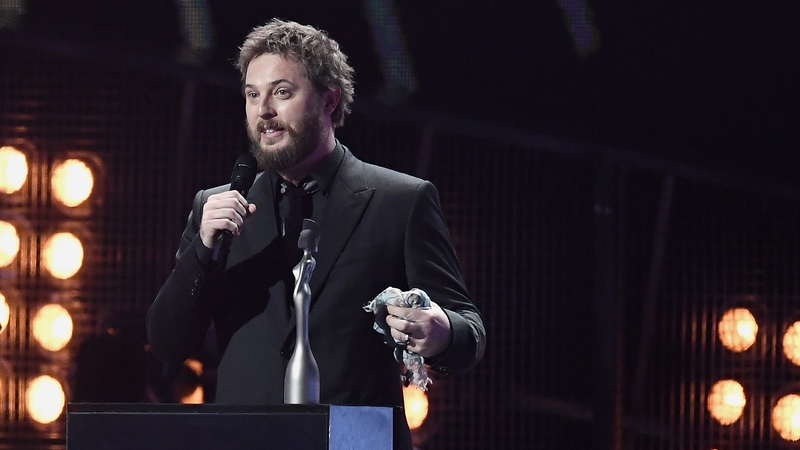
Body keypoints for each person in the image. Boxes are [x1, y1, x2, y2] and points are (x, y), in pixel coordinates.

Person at [146, 18, 485, 449]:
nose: (263, 111)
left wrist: (442, 333)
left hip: (354, 441)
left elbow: (469, 332)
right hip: (247, 440)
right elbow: (167, 343)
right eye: (252, 94)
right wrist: (202, 251)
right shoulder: (215, 210)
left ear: (330, 99)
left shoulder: (400, 200)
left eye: (282, 92)